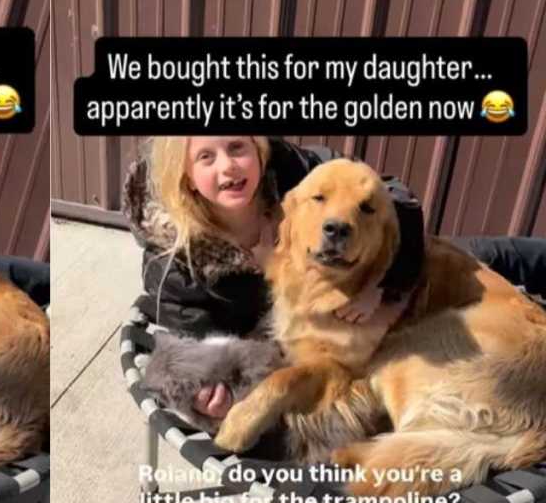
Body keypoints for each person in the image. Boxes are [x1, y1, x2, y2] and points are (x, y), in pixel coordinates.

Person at [123, 136, 428, 421]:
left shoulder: (292, 170)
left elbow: (395, 199)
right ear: (186, 176)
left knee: (469, 256)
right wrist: (208, 391)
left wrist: (386, 281)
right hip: (292, 359)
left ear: (259, 149)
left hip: (360, 316)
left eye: (237, 147)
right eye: (206, 157)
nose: (228, 165)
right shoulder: (174, 265)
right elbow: (194, 347)